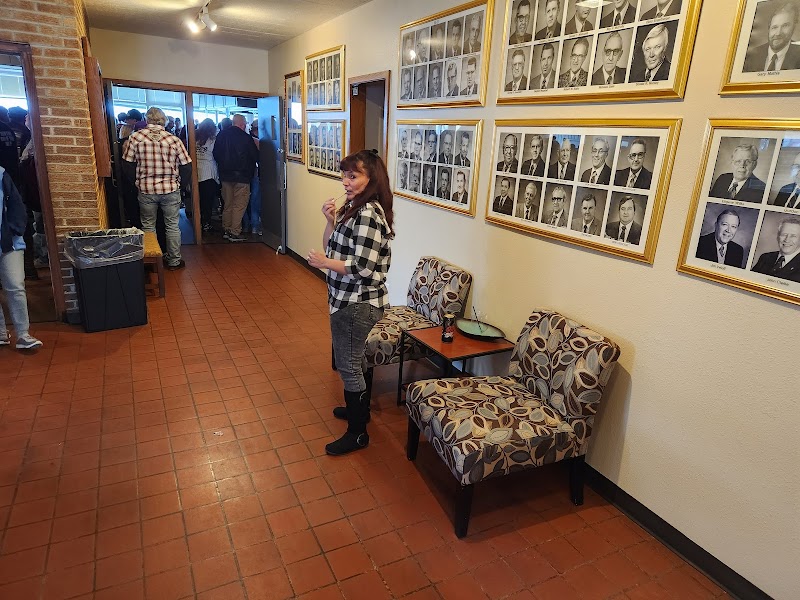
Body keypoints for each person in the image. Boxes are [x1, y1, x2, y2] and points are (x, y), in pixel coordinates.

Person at [306, 150, 393, 455]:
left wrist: (325, 264)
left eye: (353, 176)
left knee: (348, 365)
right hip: (345, 297)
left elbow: (362, 268)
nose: (345, 181)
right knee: (352, 360)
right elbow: (332, 244)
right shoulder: (353, 208)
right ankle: (359, 410)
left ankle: (358, 433)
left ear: (371, 179)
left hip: (359, 301)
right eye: (344, 175)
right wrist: (330, 220)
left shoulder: (368, 213)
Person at [122, 107, 191, 270]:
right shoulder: (173, 139)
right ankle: (174, 260)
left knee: (148, 226)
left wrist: (136, 182)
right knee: (172, 226)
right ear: (164, 120)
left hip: (146, 189)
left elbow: (127, 164)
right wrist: (180, 184)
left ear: (147, 120)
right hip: (170, 188)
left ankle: (152, 262)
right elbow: (187, 166)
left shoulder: (135, 138)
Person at [0, 164, 42, 349]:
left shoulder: (1, 173)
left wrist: (14, 230)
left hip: (8, 241)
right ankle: (1, 333)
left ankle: (23, 334)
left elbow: (16, 204)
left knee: (16, 285)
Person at [213, 113, 259, 242]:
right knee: (239, 205)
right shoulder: (246, 138)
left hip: (225, 176)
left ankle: (226, 229)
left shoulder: (221, 135)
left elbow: (215, 154)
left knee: (227, 204)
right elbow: (255, 156)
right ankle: (235, 232)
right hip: (242, 177)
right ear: (243, 124)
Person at [743, 3, 800, 72]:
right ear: (769, 29)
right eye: (774, 27)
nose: (778, 33)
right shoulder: (751, 56)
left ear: (793, 28)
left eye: (785, 26)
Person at [196, 119, 219, 234]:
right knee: (208, 201)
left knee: (199, 200)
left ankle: (199, 222)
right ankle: (206, 223)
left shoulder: (196, 139)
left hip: (197, 172)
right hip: (209, 173)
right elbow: (217, 155)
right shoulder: (213, 140)